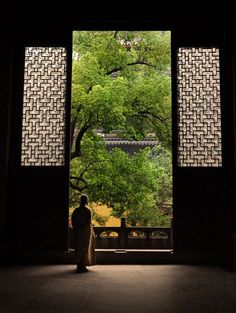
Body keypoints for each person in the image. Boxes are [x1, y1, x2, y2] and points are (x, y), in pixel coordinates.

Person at [71, 194, 96, 273]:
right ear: (86, 201)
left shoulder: (76, 210)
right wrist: (83, 226)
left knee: (78, 247)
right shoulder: (88, 210)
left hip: (78, 231)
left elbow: (73, 221)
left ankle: (79, 265)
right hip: (85, 231)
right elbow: (88, 222)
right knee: (85, 248)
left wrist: (77, 227)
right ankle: (83, 265)